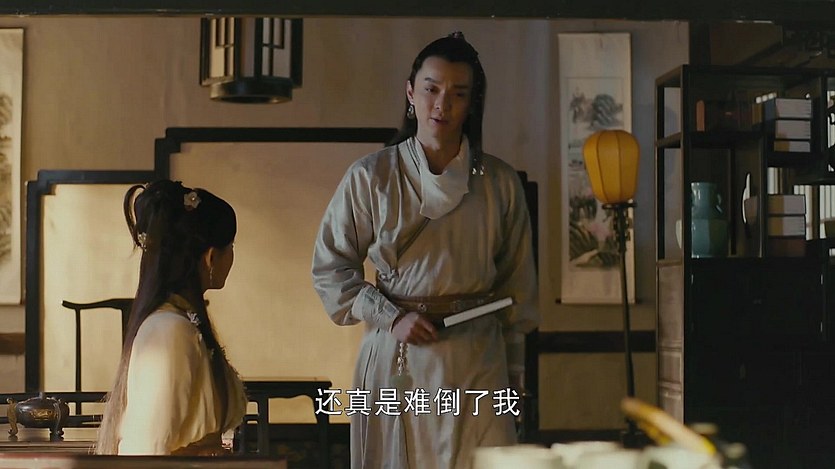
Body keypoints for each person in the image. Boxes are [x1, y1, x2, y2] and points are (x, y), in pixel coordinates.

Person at [312, 32, 539, 469]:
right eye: (431, 89)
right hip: (398, 355)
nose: (442, 104)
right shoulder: (371, 176)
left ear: (472, 104)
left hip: (478, 357)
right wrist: (391, 317)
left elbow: (518, 288)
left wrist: (515, 373)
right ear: (410, 93)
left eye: (458, 94)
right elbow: (330, 268)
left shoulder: (499, 183)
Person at [96, 180, 247, 456]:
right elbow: (148, 452)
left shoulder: (178, 322)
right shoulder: (170, 331)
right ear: (211, 257)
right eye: (231, 245)